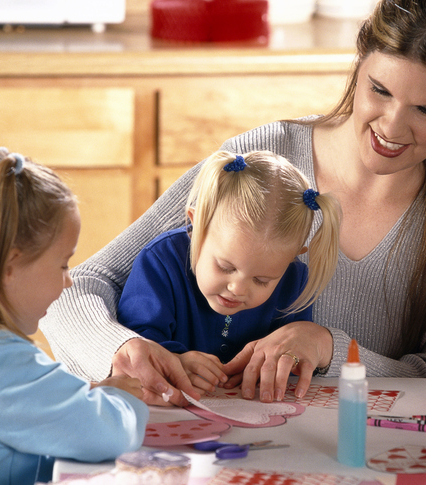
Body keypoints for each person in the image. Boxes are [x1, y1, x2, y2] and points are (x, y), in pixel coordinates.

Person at [41, 0, 426, 406]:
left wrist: (330, 347)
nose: (390, 125)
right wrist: (121, 349)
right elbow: (76, 287)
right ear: (359, 62)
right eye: (379, 90)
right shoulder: (262, 160)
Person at [0, 145, 149, 485]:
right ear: (10, 266)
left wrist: (90, 391)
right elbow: (110, 434)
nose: (69, 280)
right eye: (63, 263)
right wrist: (121, 397)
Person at [116, 150, 340, 393]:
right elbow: (133, 344)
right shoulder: (160, 261)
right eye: (225, 267)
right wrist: (174, 361)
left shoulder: (294, 281)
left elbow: (292, 355)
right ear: (197, 224)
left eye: (262, 280)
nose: (238, 288)